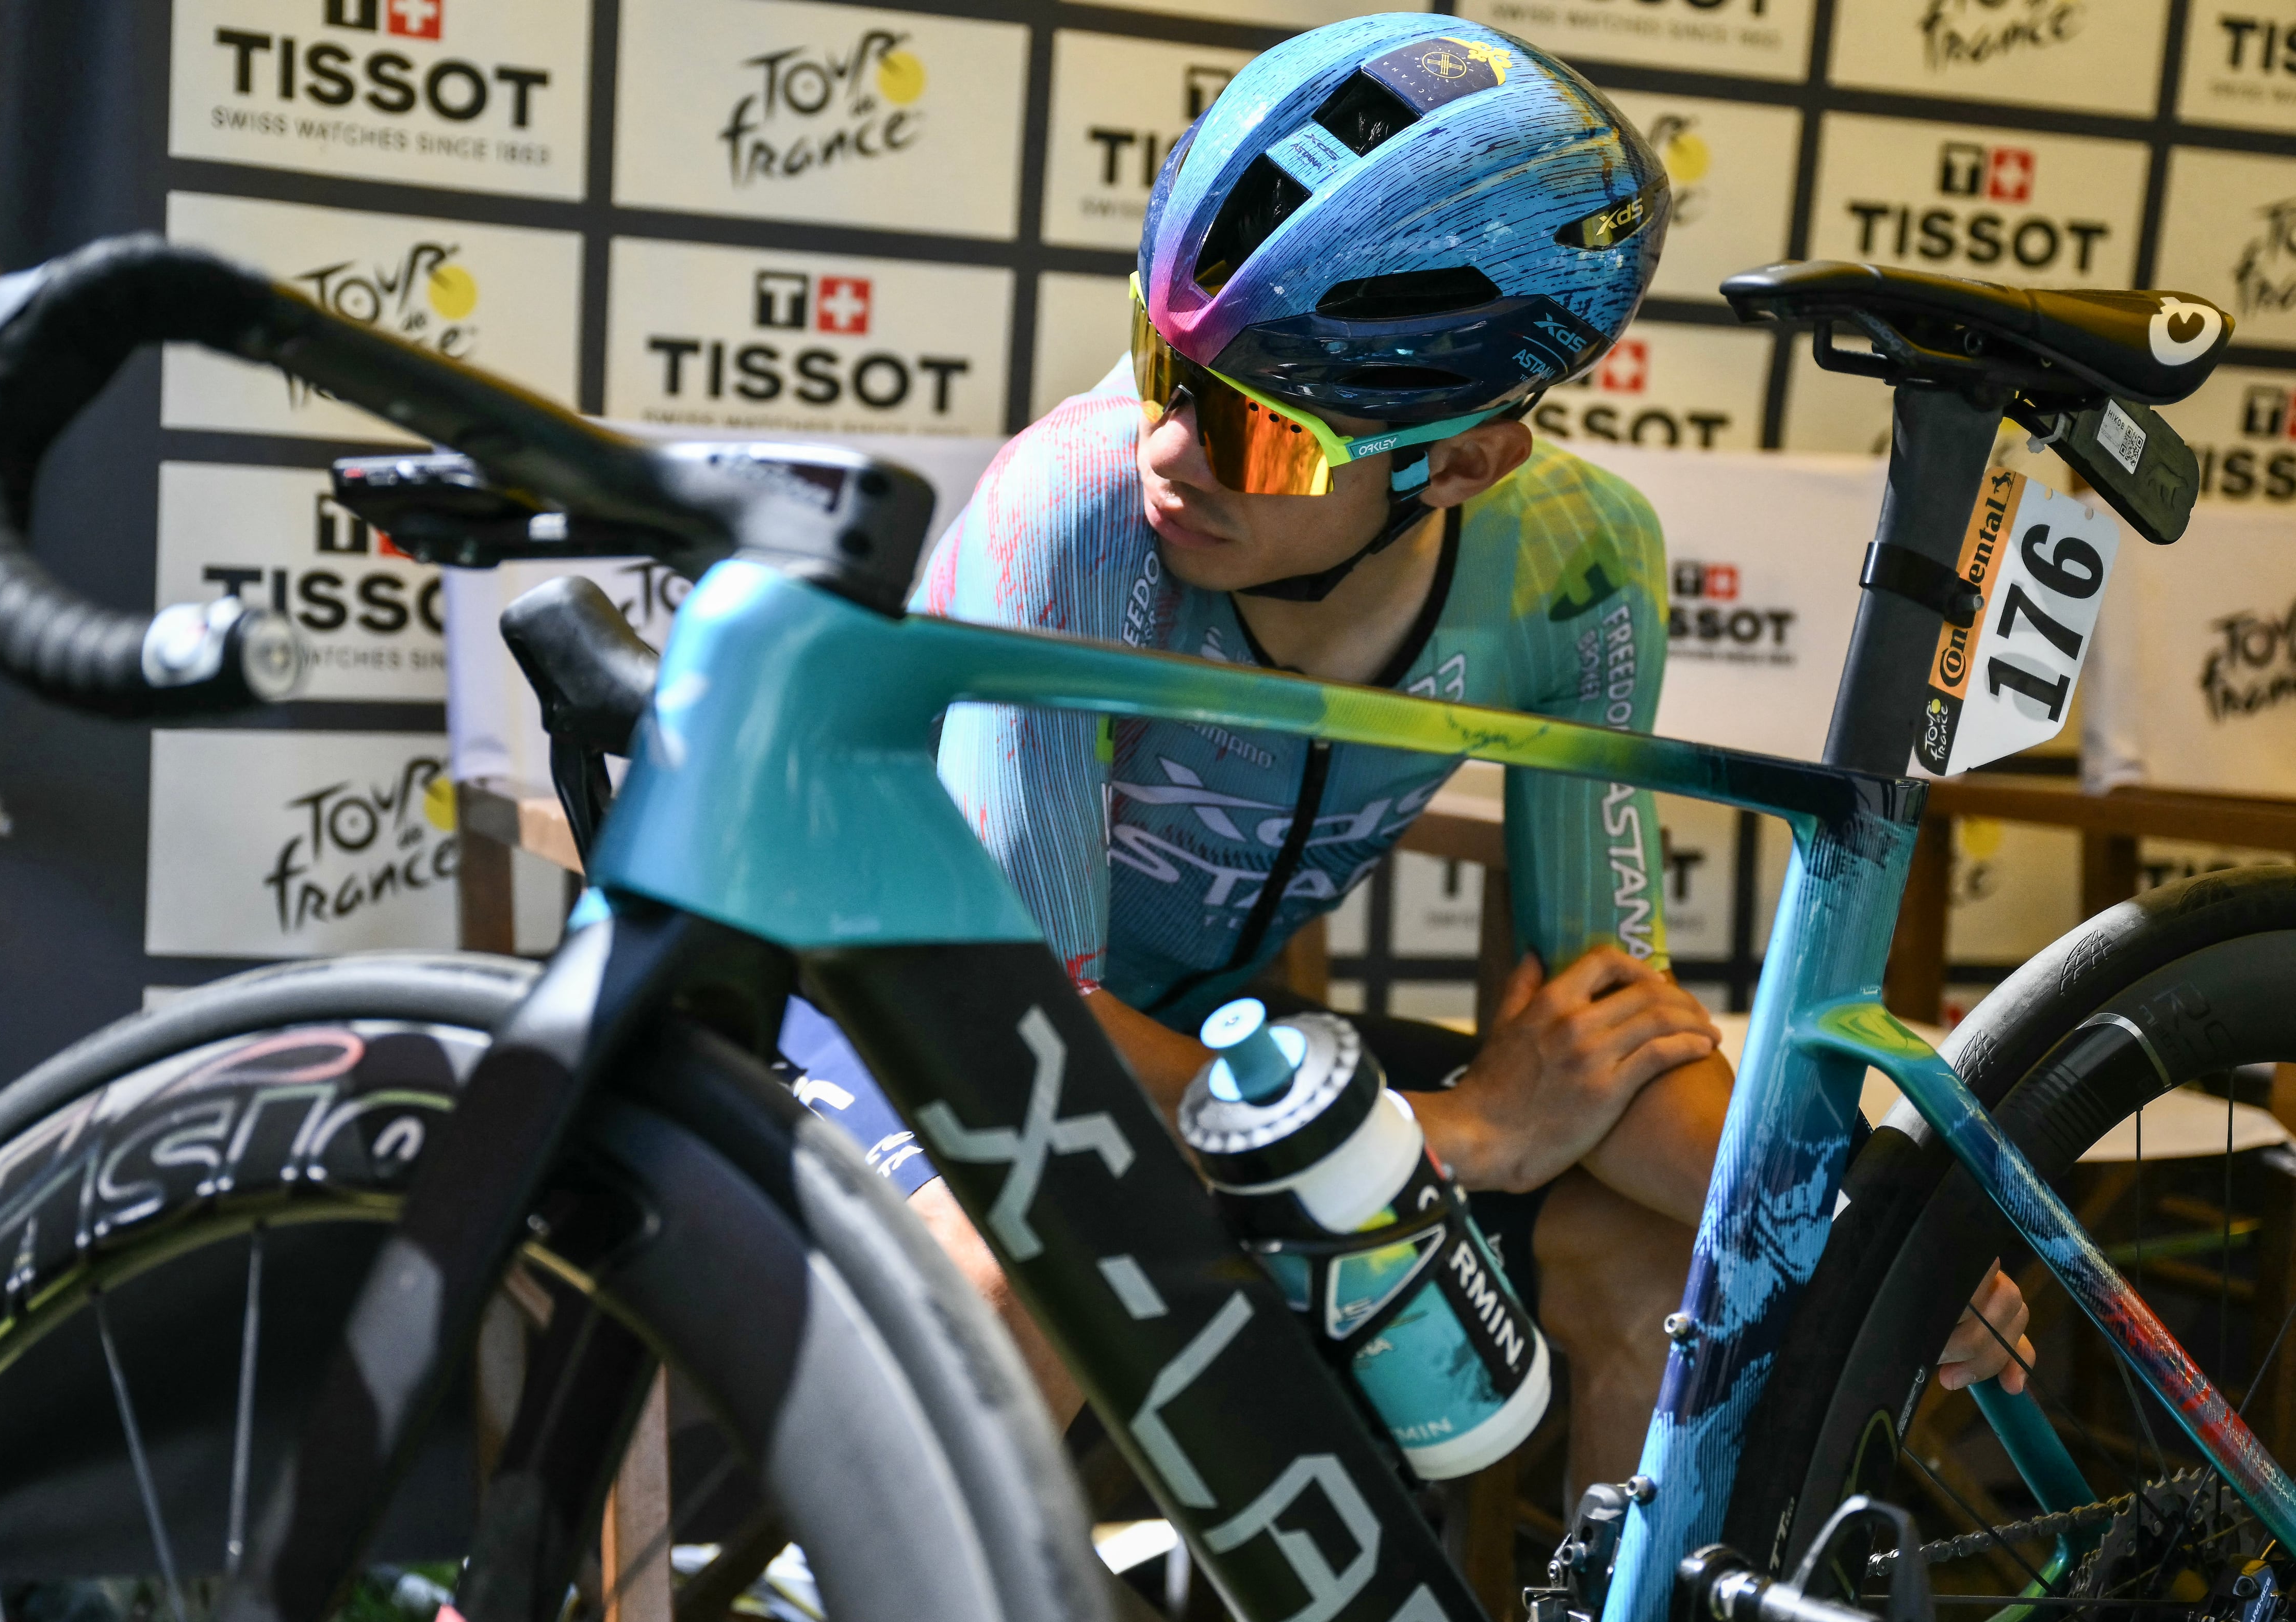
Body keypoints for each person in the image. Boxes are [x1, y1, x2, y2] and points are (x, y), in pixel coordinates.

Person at [780, 13, 2032, 1506]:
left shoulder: (1577, 561)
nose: (1167, 449)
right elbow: (1024, 1028)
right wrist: (1461, 1135)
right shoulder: (1069, 514)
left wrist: (1885, 1248)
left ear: (1460, 462)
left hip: (1240, 1068)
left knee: (1649, 1257)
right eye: (1163, 365)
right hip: (897, 1024)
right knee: (1032, 1257)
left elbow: (1603, 1041)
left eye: (1260, 431)